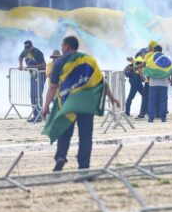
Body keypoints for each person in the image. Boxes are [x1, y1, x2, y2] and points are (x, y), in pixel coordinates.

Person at [41, 36, 120, 171]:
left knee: (64, 131)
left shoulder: (59, 62)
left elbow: (53, 86)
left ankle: (61, 156)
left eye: (62, 45)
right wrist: (112, 97)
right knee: (85, 136)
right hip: (86, 104)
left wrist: (46, 106)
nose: (62, 48)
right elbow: (100, 80)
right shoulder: (89, 60)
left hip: (67, 104)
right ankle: (83, 165)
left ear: (67, 46)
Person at [143, 45, 172, 122]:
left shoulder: (151, 58)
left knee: (152, 101)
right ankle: (163, 118)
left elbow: (146, 70)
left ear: (154, 50)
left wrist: (149, 80)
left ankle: (151, 118)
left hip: (153, 84)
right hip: (164, 83)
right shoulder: (166, 58)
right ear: (161, 50)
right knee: (163, 100)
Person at [18, 40, 46, 122]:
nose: (28, 50)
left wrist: (32, 67)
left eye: (29, 48)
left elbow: (43, 65)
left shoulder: (37, 52)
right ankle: (36, 115)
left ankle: (40, 115)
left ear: (32, 46)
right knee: (33, 95)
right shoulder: (25, 51)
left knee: (37, 94)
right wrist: (20, 64)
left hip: (40, 75)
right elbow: (20, 56)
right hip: (33, 75)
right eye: (26, 48)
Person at [124, 48, 147, 117]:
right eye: (145, 53)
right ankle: (127, 112)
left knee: (143, 95)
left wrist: (132, 61)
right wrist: (143, 78)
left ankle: (127, 112)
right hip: (136, 79)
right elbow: (139, 68)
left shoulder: (138, 58)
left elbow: (136, 65)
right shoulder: (140, 58)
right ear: (142, 53)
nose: (146, 55)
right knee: (133, 96)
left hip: (134, 79)